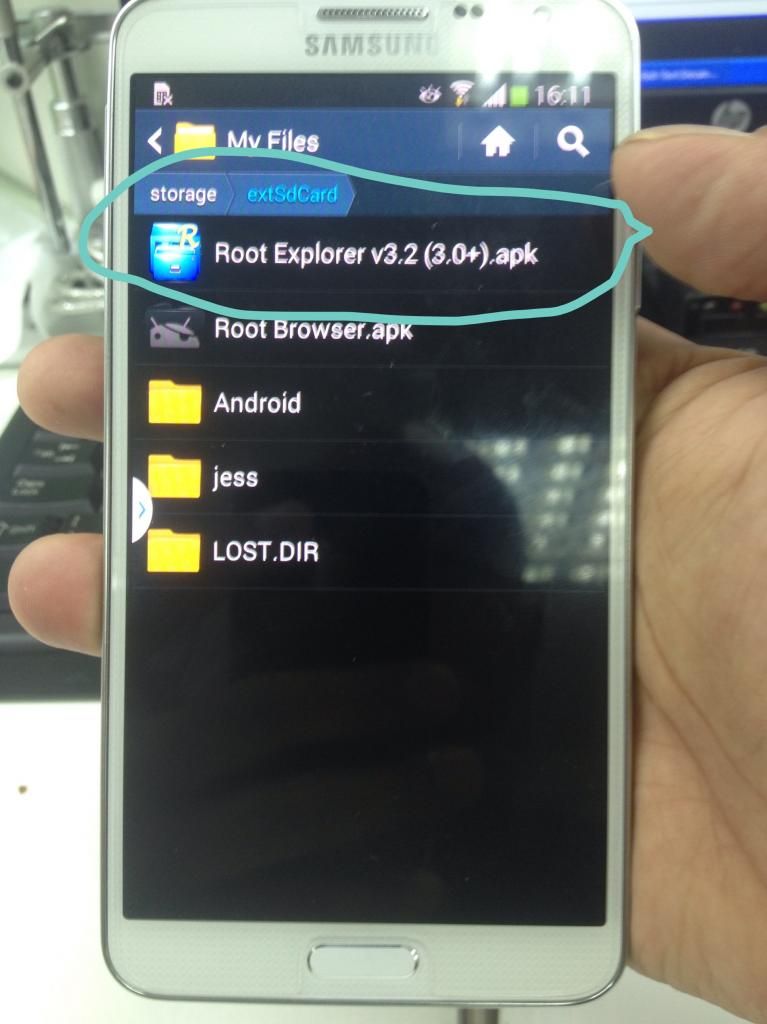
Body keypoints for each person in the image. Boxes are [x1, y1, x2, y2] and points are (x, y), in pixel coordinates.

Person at [8, 124, 767, 1024]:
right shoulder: (464, 488)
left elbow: (508, 641)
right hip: (371, 793)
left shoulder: (465, 493)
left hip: (475, 794)